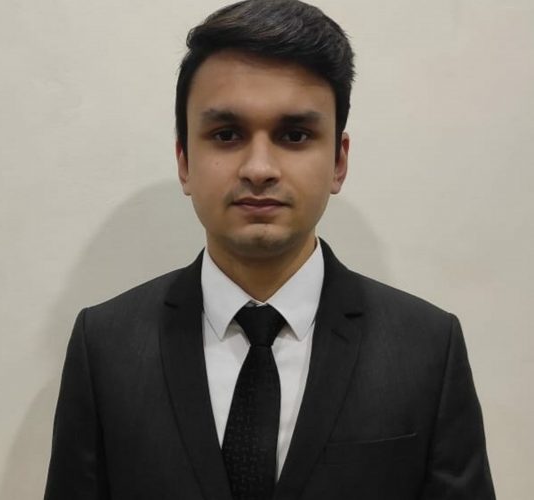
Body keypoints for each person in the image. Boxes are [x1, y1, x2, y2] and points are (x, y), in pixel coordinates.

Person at [44, 1, 496, 499]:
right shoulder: (105, 347)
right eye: (227, 134)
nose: (259, 168)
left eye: (295, 135)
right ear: (184, 161)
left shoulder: (426, 349)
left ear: (339, 161)